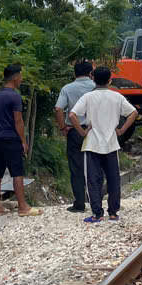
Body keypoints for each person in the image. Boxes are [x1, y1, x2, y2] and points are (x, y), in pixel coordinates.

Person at [68, 66, 138, 223]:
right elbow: (133, 113)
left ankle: (97, 214)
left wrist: (82, 131)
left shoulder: (88, 97)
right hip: (111, 143)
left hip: (92, 143)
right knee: (113, 179)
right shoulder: (117, 97)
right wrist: (121, 130)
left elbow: (72, 115)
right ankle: (113, 213)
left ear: (93, 78)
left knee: (93, 180)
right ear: (110, 80)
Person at [0, 63, 39, 217]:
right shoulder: (14, 96)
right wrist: (23, 141)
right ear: (16, 77)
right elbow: (18, 121)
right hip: (11, 138)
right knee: (17, 172)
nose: (21, 79)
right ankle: (23, 207)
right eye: (21, 76)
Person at [54, 60, 95, 212]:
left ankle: (79, 203)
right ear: (90, 73)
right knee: (94, 165)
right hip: (93, 131)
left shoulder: (67, 88)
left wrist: (63, 127)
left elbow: (58, 109)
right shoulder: (95, 88)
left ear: (74, 73)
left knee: (76, 167)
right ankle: (95, 200)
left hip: (74, 131)